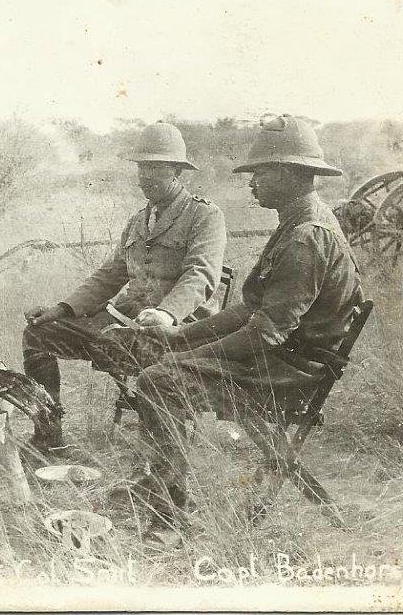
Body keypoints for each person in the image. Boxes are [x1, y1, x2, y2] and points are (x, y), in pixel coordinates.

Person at [127, 115, 364, 549]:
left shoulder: (305, 237)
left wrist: (183, 353)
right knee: (165, 362)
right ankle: (156, 488)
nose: (251, 182)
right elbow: (250, 310)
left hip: (289, 371)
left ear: (290, 175)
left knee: (157, 381)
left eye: (260, 172)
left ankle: (168, 519)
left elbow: (263, 333)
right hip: (284, 357)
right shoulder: (300, 221)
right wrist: (179, 337)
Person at [22, 121, 227, 453]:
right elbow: (110, 275)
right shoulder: (138, 220)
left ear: (177, 170)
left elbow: (200, 276)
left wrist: (166, 314)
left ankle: (159, 458)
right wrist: (61, 309)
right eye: (142, 166)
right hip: (123, 326)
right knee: (40, 335)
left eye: (156, 166)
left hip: (175, 333)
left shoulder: (204, 216)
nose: (146, 175)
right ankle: (50, 433)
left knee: (148, 362)